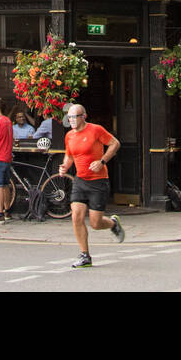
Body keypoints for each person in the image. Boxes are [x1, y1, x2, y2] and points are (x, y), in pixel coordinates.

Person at [59, 104, 124, 268]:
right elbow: (69, 156)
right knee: (76, 217)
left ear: (84, 116)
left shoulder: (96, 130)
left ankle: (113, 224)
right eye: (70, 118)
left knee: (95, 223)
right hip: (80, 180)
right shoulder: (69, 136)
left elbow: (115, 144)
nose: (71, 120)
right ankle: (85, 255)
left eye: (74, 117)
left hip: (98, 181)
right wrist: (65, 166)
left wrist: (102, 161)